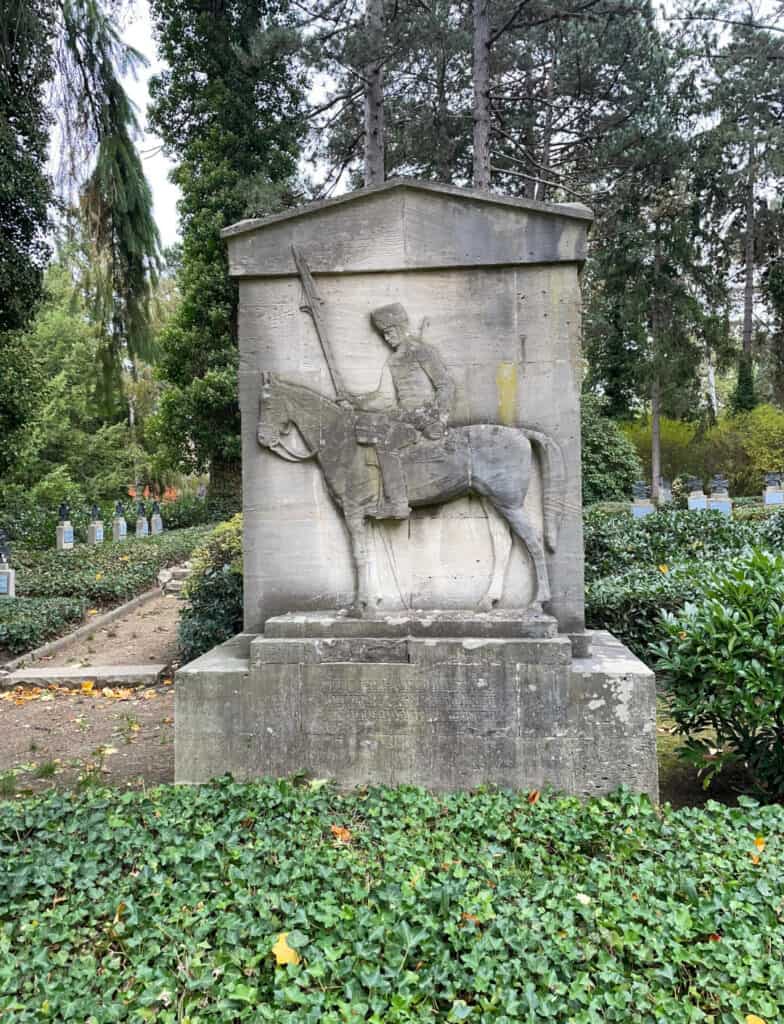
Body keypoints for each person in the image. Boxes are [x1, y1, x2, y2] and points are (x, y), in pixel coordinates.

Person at [342, 303, 456, 518]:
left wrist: (440, 418)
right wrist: (354, 402)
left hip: (426, 417)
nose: (387, 338)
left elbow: (445, 386)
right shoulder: (392, 360)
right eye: (384, 334)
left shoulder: (422, 351)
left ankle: (398, 504)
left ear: (402, 327)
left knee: (387, 444)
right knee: (367, 429)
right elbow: (383, 397)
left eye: (390, 332)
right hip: (404, 416)